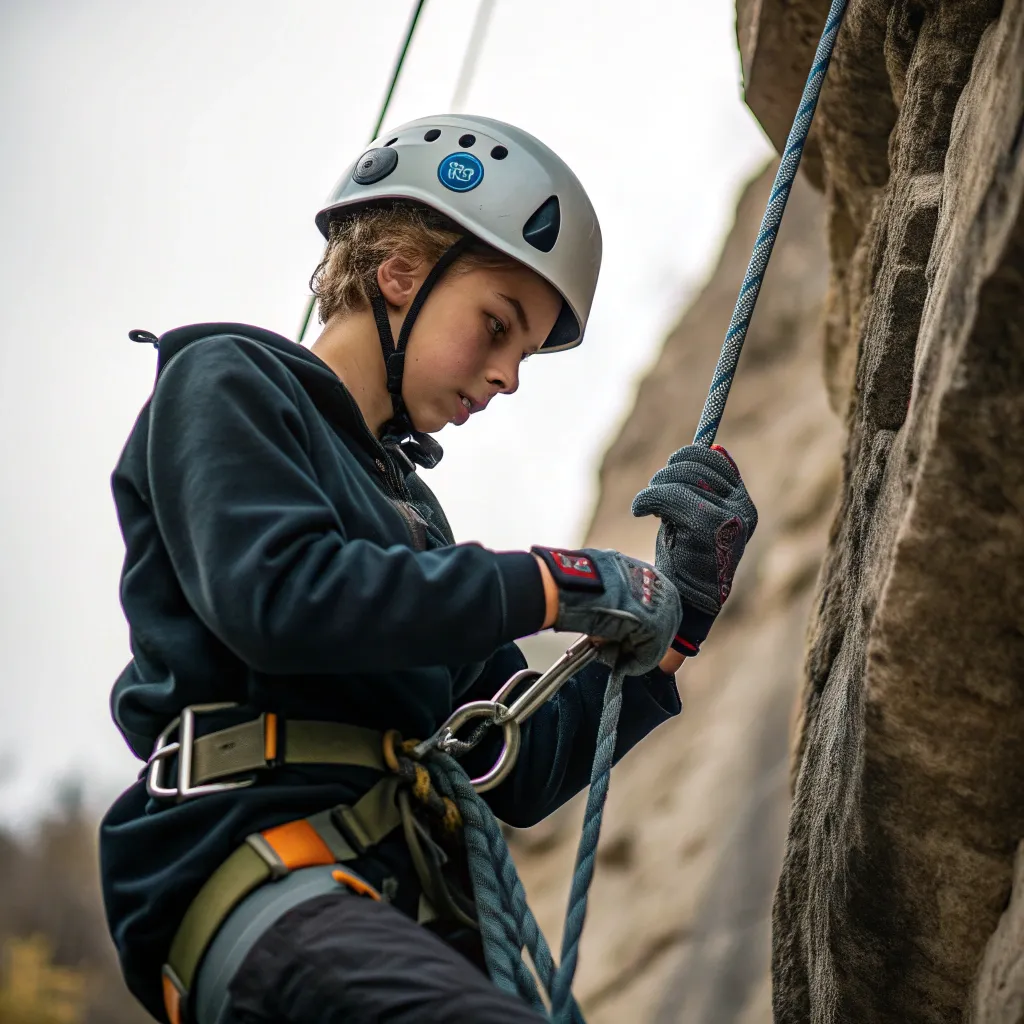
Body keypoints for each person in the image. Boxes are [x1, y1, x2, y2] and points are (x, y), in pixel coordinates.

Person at [100, 115, 757, 1024]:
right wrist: (556, 582)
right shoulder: (229, 381)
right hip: (260, 879)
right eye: (496, 326)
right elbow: (279, 596)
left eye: (522, 353)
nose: (507, 377)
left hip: (396, 907)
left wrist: (677, 624)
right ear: (399, 273)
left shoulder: (413, 523)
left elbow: (511, 763)